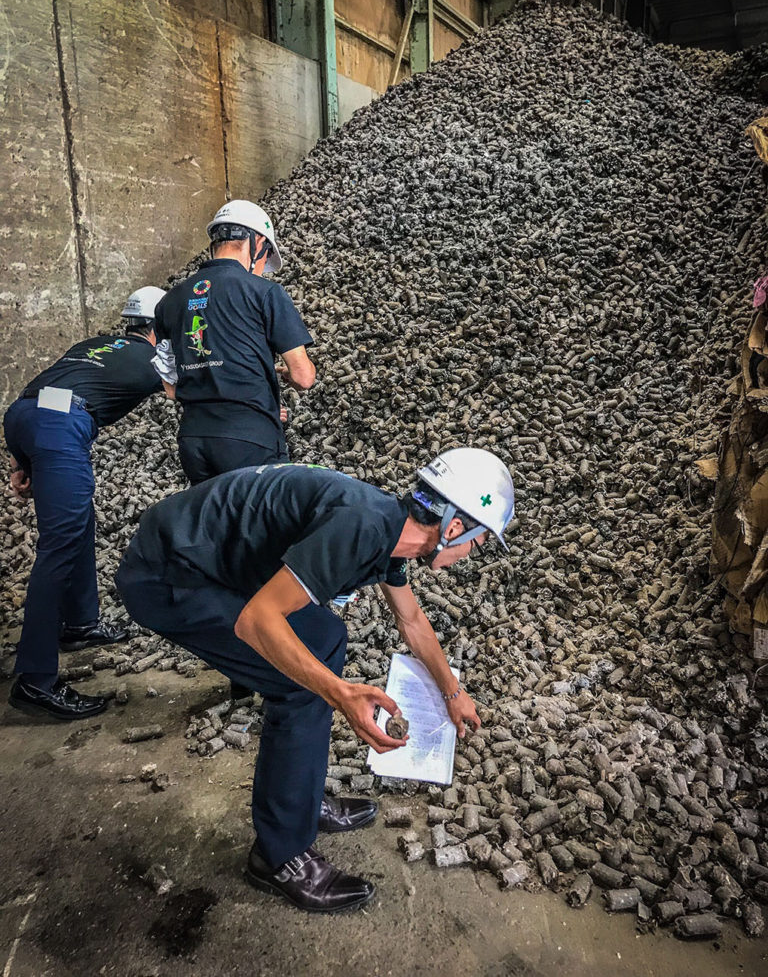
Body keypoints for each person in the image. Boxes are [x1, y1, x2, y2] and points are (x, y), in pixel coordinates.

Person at [115, 447, 515, 913]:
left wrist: (453, 692)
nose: (475, 552)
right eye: (480, 541)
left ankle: (300, 800)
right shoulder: (361, 528)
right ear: (452, 528)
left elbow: (412, 621)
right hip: (169, 575)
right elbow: (256, 621)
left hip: (211, 560)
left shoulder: (387, 527)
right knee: (300, 685)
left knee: (324, 637)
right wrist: (340, 694)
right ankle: (279, 855)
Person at [4, 286, 166, 721]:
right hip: (59, 427)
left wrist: (25, 460)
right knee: (58, 546)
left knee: (77, 521)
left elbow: (45, 392)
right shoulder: (156, 358)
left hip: (23, 416)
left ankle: (79, 623)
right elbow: (194, 393)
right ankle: (35, 680)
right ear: (161, 326)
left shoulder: (92, 345)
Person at [152, 199, 316, 485]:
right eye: (265, 259)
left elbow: (169, 385)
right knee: (261, 523)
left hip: (194, 440)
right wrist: (266, 393)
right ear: (257, 242)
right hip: (250, 440)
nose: (262, 268)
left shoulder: (170, 301)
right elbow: (304, 377)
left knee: (216, 521)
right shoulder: (264, 293)